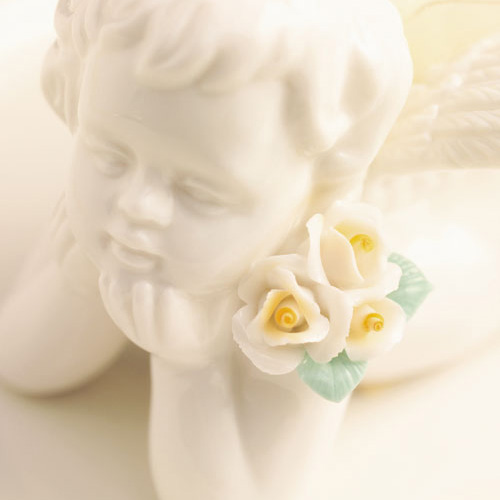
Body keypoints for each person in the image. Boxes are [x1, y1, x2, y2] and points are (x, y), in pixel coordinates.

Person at [0, 0, 412, 498]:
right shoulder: (117, 200)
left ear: (316, 190)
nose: (135, 206)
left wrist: (192, 367)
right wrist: (78, 284)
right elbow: (20, 364)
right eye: (109, 156)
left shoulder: (321, 299)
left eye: (200, 193)